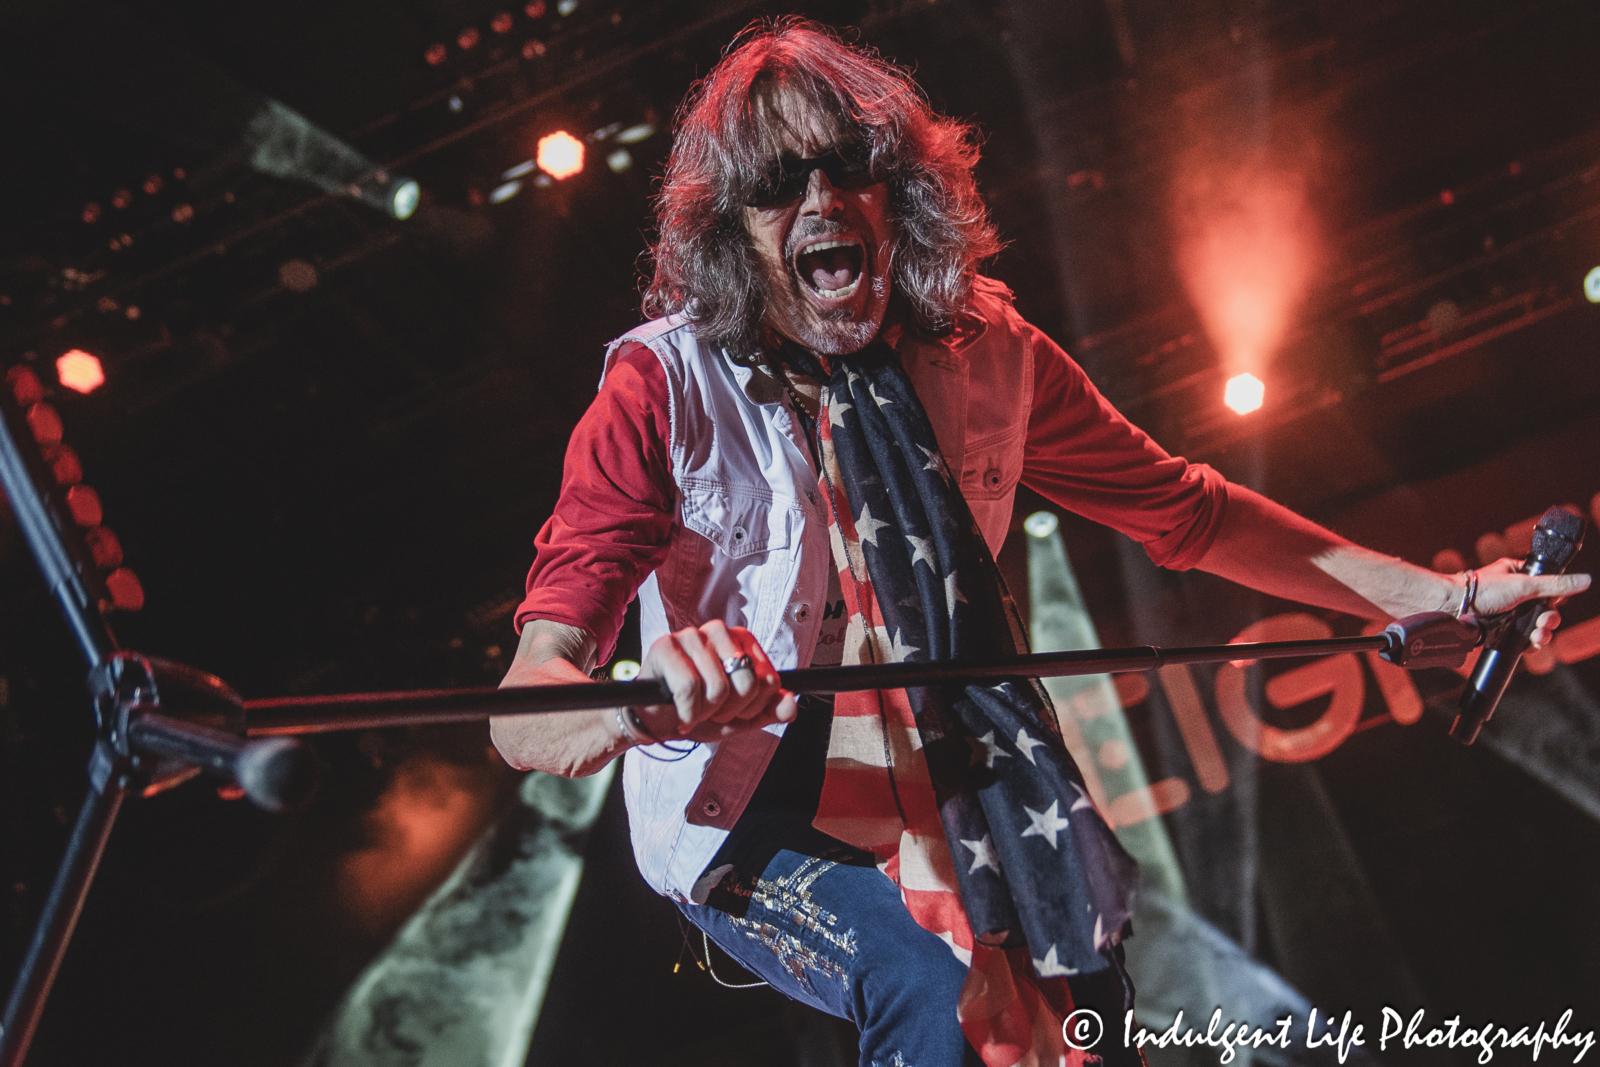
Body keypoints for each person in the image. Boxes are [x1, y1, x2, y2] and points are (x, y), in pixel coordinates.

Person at [490, 19, 1588, 1067]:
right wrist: (640, 700)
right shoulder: (660, 385)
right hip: (748, 815)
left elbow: (1190, 512)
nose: (818, 201)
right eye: (775, 185)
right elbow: (526, 704)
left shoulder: (989, 351)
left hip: (959, 787)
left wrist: (1438, 596)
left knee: (1086, 1015)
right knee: (917, 986)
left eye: (843, 166)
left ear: (897, 190)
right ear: (734, 232)